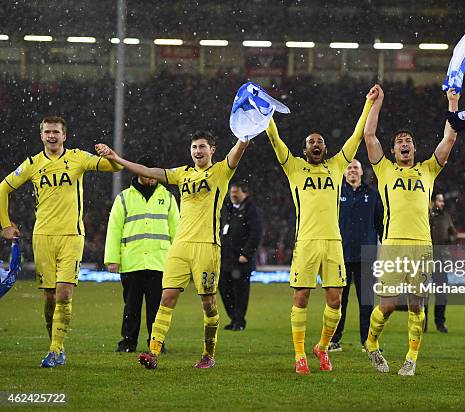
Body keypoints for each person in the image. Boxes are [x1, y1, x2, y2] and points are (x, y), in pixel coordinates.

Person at [95, 130, 249, 370]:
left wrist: (245, 135)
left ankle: (209, 354)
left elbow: (237, 152)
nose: (198, 151)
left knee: (208, 302)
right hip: (180, 247)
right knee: (166, 298)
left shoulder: (220, 171)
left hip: (206, 246)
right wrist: (118, 159)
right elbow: (148, 172)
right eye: (194, 147)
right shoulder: (182, 174)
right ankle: (153, 352)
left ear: (212, 150)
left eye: (202, 147)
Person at [265, 84, 379, 374]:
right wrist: (266, 114)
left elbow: (355, 137)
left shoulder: (337, 167)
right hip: (306, 242)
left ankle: (322, 348)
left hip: (333, 243)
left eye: (320, 142)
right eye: (311, 142)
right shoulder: (294, 168)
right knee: (301, 296)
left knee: (335, 300)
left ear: (325, 148)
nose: (316, 145)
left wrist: (368, 104)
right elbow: (276, 140)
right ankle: (300, 354)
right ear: (304, 150)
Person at [0, 116, 122, 367]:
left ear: (64, 136)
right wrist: (6, 225)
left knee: (64, 293)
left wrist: (111, 154)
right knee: (49, 298)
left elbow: (115, 168)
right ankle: (56, 344)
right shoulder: (32, 164)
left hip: (71, 237)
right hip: (43, 237)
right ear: (42, 135)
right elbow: (3, 188)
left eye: (56, 131)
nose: (51, 136)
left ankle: (56, 350)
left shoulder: (78, 157)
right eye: (47, 132)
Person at [362, 85, 460, 376]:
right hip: (393, 244)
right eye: (399, 141)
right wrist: (377, 102)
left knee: (417, 307)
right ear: (393, 150)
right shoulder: (385, 169)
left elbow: (450, 136)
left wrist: (452, 101)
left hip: (422, 245)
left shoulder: (428, 169)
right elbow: (369, 136)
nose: (404, 143)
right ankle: (371, 344)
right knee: (388, 306)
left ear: (414, 149)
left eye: (408, 141)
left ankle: (411, 359)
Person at [104, 155, 179, 353]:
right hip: (132, 262)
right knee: (131, 307)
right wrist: (112, 259)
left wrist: (178, 262)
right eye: (148, 171)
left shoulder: (168, 197)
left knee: (157, 307)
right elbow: (114, 229)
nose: (152, 176)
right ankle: (128, 342)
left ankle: (156, 343)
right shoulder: (123, 198)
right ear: (138, 171)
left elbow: (177, 231)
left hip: (160, 262)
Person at [328, 159, 383, 352]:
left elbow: (380, 223)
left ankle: (367, 342)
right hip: (340, 254)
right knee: (338, 301)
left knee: (366, 302)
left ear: (361, 172)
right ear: (344, 173)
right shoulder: (335, 192)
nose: (352, 171)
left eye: (355, 168)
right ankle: (334, 340)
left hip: (366, 255)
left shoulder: (373, 194)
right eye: (349, 168)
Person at [219, 181, 262, 331]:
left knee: (240, 292)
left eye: (236, 193)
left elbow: (256, 233)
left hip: (241, 260)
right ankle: (233, 318)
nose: (233, 195)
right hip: (226, 258)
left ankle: (239, 321)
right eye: (232, 193)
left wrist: (246, 253)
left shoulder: (251, 210)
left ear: (245, 193)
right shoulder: (228, 208)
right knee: (224, 289)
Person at [425, 192, 457, 333]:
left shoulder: (446, 217)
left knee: (441, 293)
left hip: (440, 260)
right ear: (432, 201)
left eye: (442, 201)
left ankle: (440, 323)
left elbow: (453, 233)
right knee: (422, 293)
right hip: (425, 259)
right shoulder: (424, 215)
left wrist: (450, 240)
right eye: (439, 200)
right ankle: (422, 323)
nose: (442, 203)